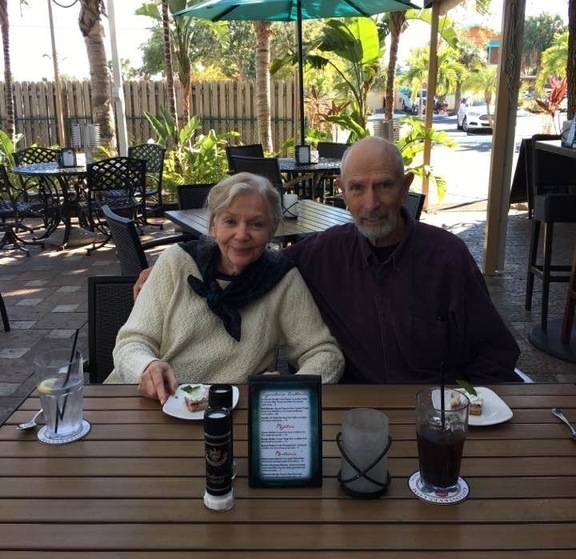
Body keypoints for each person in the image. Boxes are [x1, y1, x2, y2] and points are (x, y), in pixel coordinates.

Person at [134, 138, 520, 385]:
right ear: (343, 193)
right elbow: (251, 258)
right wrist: (170, 268)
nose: (370, 203)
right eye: (357, 188)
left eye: (384, 185)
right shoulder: (321, 255)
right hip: (350, 416)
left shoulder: (447, 258)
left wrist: (469, 413)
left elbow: (496, 355)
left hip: (434, 417)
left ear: (405, 188)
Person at [107, 172, 344, 402]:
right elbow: (132, 342)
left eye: (256, 224)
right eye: (230, 221)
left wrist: (290, 390)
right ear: (213, 226)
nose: (241, 234)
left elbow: (325, 353)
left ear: (272, 231)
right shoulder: (176, 262)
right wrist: (145, 367)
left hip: (231, 412)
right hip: (151, 403)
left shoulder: (282, 279)